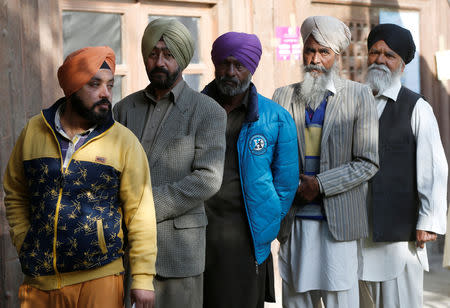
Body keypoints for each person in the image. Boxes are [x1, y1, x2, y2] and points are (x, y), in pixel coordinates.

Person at [3, 46, 157, 308]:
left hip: (100, 278)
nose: (105, 93)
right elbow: (15, 193)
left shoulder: (124, 142)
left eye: (109, 85)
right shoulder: (33, 131)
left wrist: (142, 278)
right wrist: (26, 241)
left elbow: (140, 213)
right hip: (39, 282)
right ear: (72, 87)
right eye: (94, 84)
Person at [113, 18, 227, 308]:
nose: (159, 61)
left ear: (183, 59)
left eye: (168, 54)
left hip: (177, 252)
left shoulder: (208, 111)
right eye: (153, 54)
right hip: (125, 250)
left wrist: (145, 208)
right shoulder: (124, 109)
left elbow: (208, 178)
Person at [272, 16, 379, 308]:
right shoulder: (283, 96)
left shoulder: (359, 96)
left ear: (337, 56)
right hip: (294, 222)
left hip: (339, 225)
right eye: (309, 50)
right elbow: (271, 157)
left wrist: (320, 184)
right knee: (296, 299)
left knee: (340, 299)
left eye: (324, 52)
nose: (315, 59)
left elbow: (367, 162)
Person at [201, 32, 299, 308]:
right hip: (199, 229)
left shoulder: (276, 118)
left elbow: (286, 183)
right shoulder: (194, 110)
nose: (230, 72)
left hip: (247, 234)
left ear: (251, 69)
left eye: (238, 65)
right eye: (224, 64)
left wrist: (267, 220)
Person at [358, 23, 448, 308]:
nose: (381, 60)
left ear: (402, 64)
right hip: (356, 232)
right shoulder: (354, 101)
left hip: (399, 238)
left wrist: (428, 220)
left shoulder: (417, 107)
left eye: (390, 55)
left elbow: (433, 167)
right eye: (375, 52)